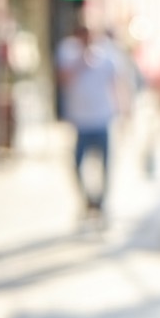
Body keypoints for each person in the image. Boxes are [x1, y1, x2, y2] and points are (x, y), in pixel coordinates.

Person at [57, 24, 123, 225]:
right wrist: (81, 61)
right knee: (77, 164)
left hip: (102, 118)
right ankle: (86, 200)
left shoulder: (107, 53)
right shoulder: (67, 52)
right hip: (81, 121)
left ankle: (101, 203)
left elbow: (116, 83)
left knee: (105, 165)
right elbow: (63, 79)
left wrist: (123, 111)